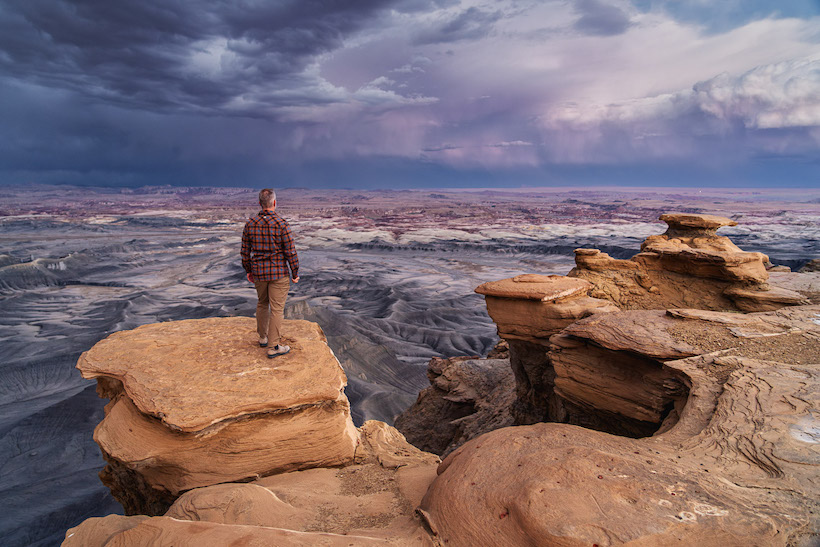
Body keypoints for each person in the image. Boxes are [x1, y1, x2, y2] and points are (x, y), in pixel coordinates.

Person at [241, 188, 299, 358]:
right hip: (278, 273)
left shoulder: (250, 224)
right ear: (274, 203)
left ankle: (262, 338)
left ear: (260, 203)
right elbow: (291, 251)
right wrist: (295, 272)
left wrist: (249, 270)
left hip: (259, 273)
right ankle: (274, 347)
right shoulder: (282, 224)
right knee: (277, 309)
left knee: (262, 303)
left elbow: (245, 252)